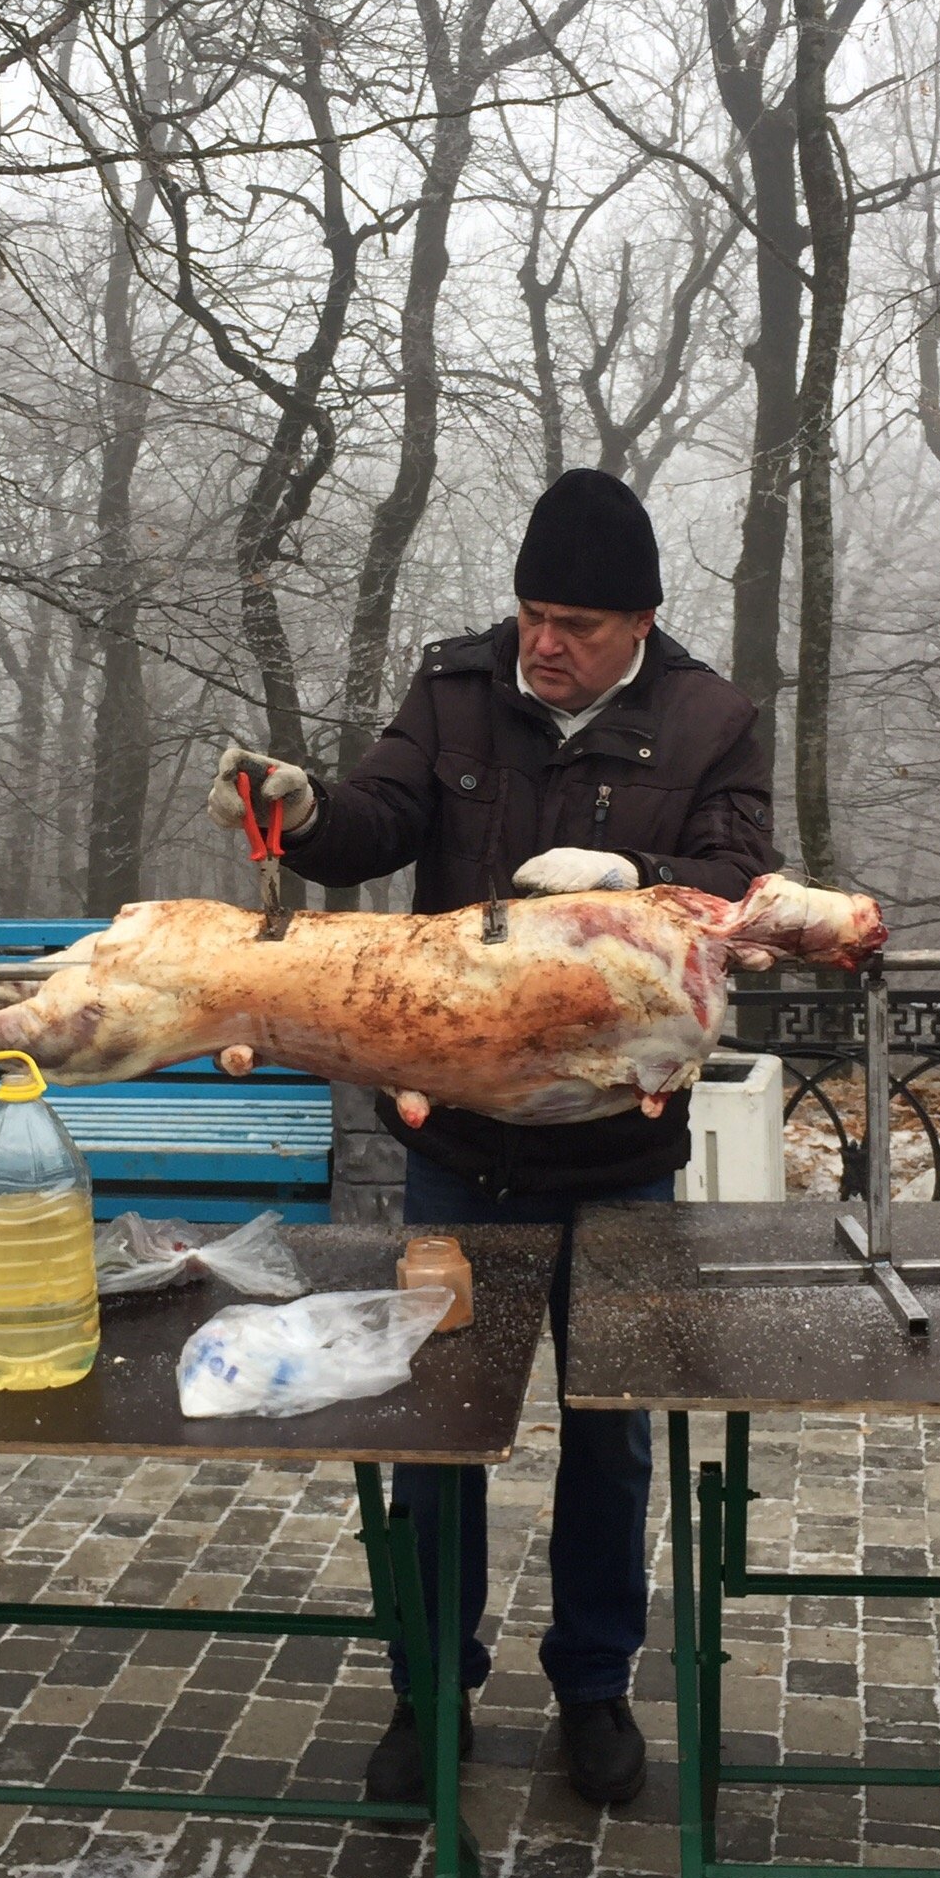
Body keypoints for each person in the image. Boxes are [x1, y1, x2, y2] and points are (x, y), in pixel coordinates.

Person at [206, 467, 778, 1807]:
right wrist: (303, 805)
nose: (544, 640)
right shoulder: (458, 689)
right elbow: (379, 822)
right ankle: (429, 1692)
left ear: (640, 620)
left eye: (575, 619)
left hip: (621, 1149)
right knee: (439, 1424)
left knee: (610, 1434)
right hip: (457, 1142)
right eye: (532, 610)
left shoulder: (711, 719)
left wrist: (638, 884)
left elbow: (742, 882)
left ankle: (593, 1689)